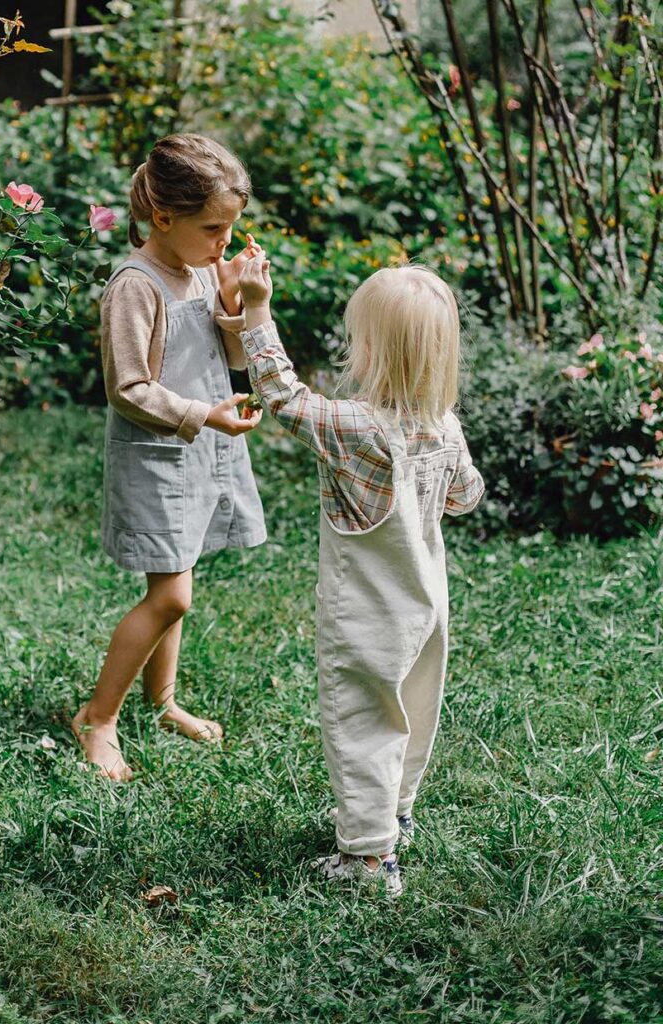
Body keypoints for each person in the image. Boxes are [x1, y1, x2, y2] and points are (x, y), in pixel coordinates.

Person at [236, 253, 484, 895]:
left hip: (369, 613)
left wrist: (256, 311)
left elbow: (283, 396)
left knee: (364, 721)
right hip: (427, 605)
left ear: (370, 350)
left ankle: (369, 861)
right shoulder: (444, 427)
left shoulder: (355, 426)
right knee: (415, 710)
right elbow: (465, 498)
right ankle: (394, 817)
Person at [73, 134, 268, 782]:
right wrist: (201, 414)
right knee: (174, 596)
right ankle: (97, 718)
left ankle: (163, 703)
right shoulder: (137, 285)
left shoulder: (206, 271)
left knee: (176, 575)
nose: (223, 244)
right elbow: (127, 388)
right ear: (164, 218)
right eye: (214, 229)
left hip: (202, 451)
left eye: (231, 228)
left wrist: (241, 304)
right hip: (157, 456)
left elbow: (227, 359)